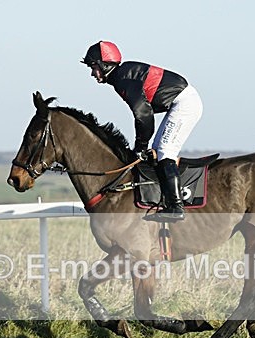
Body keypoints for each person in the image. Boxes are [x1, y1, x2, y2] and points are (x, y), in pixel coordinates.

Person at [81, 41, 203, 221]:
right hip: (180, 102)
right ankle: (164, 199)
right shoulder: (122, 76)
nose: (92, 73)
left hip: (184, 103)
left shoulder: (123, 79)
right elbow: (145, 115)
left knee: (165, 151)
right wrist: (143, 146)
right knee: (156, 151)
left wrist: (140, 146)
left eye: (93, 67)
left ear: (104, 64)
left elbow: (143, 115)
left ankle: (176, 207)